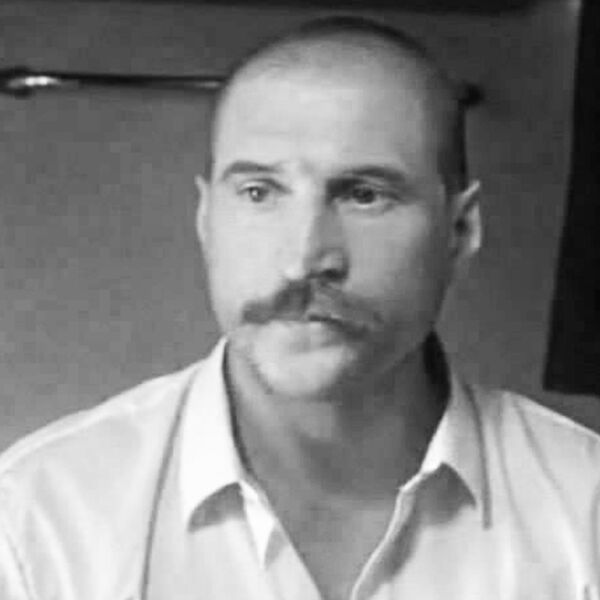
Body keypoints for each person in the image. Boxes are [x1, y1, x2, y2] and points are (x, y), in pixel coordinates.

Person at [0, 15, 599, 600]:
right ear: (206, 218)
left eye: (364, 195)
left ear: (459, 230)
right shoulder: (35, 522)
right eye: (259, 192)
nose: (304, 258)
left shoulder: (585, 511)